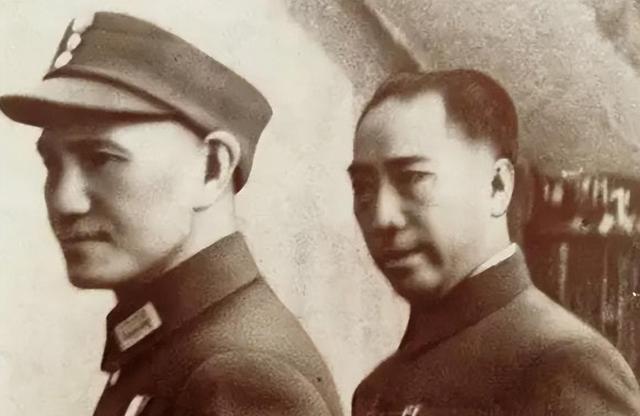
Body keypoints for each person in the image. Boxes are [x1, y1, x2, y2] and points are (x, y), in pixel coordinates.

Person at [0, 11, 343, 416]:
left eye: (101, 158)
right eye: (52, 163)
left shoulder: (240, 375)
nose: (64, 200)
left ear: (212, 168)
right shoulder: (179, 347)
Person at [348, 69, 640, 415]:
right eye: (363, 188)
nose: (382, 217)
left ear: (497, 186)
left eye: (413, 178)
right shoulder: (378, 388)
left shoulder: (564, 364)